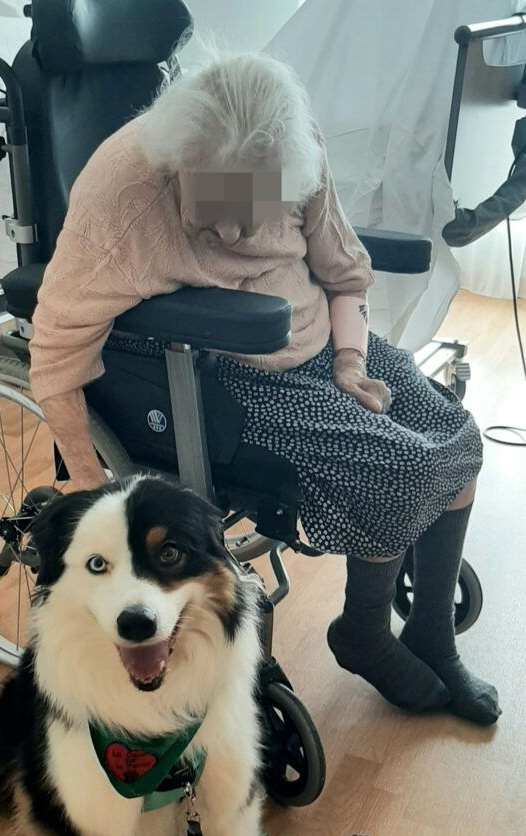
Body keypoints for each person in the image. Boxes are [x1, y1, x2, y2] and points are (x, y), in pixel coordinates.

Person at [29, 51, 499, 726]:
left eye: (251, 210)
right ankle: (363, 634)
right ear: (180, 164)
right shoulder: (123, 193)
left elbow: (343, 273)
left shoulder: (292, 143)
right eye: (212, 207)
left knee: (459, 437)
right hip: (225, 372)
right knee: (400, 470)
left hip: (322, 347)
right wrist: (87, 491)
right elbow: (55, 347)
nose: (230, 233)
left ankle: (430, 634)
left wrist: (349, 363)